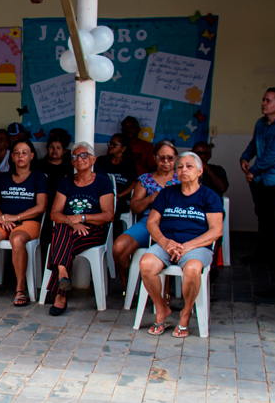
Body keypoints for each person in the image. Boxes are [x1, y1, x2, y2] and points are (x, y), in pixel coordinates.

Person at [140, 152, 224, 338]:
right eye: (180, 167)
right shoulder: (167, 194)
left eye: (189, 166)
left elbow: (216, 230)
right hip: (167, 244)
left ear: (200, 171)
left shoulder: (210, 196)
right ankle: (162, 309)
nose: (183, 170)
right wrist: (165, 242)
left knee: (193, 268)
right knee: (146, 264)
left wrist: (188, 246)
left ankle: (185, 313)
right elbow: (151, 223)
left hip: (197, 246)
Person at [0, 140, 48, 306]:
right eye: (17, 153)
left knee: (17, 239)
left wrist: (17, 217)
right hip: (4, 219)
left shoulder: (38, 177)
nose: (20, 156)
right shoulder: (3, 177)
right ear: (12, 156)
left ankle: (20, 288)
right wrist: (4, 218)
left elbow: (41, 206)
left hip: (28, 221)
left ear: (32, 156)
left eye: (25, 152)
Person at [45, 143, 115, 316]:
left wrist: (83, 218)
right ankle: (62, 276)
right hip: (68, 228)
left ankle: (60, 289)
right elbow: (54, 214)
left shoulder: (103, 183)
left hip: (94, 231)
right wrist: (73, 222)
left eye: (84, 155)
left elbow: (108, 216)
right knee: (62, 230)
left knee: (60, 237)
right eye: (75, 157)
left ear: (93, 159)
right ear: (72, 162)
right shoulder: (66, 182)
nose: (79, 159)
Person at [240, 87, 275, 265]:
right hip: (260, 179)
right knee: (263, 216)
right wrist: (244, 158)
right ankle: (262, 254)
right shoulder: (260, 123)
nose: (264, 104)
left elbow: (273, 155)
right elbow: (253, 144)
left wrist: (253, 171)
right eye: (263, 100)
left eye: (268, 101)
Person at [112, 140, 179, 290]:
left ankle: (165, 292)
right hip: (148, 222)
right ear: (155, 158)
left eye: (170, 157)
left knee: (167, 252)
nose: (166, 161)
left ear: (176, 158)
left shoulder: (182, 179)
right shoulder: (145, 180)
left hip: (174, 224)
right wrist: (150, 199)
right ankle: (127, 282)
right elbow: (134, 207)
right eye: (162, 158)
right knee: (119, 247)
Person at [95, 133, 138, 219]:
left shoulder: (129, 164)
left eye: (114, 144)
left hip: (120, 199)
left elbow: (133, 184)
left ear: (123, 148)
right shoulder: (101, 161)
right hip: (101, 197)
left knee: (115, 210)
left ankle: (113, 232)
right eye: (110, 143)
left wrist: (120, 195)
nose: (110, 146)